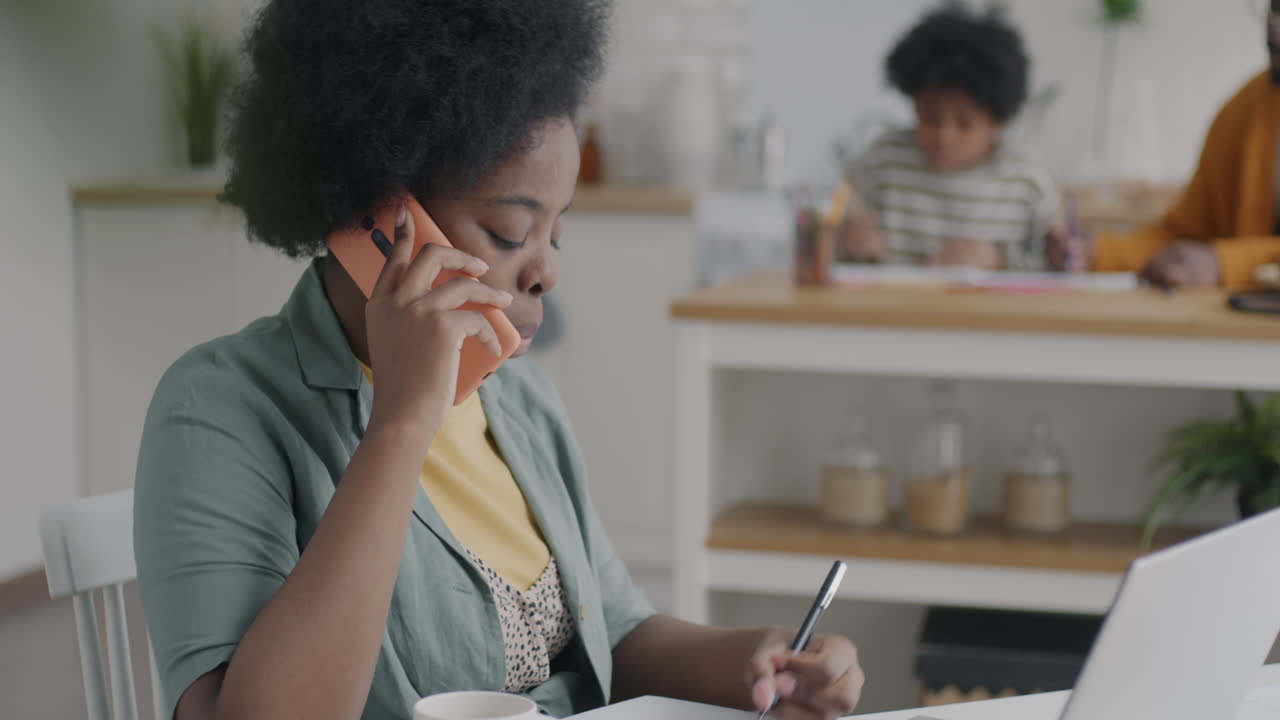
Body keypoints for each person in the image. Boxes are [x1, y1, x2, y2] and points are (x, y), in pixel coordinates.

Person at [131, 1, 864, 719]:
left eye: (557, 233)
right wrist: (402, 423)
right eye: (513, 232)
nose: (546, 271)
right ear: (382, 224)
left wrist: (764, 662)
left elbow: (616, 634)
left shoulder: (521, 399)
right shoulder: (217, 408)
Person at [1049, 1, 1280, 290]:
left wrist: (1226, 264)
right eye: (1275, 9)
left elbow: (1214, 260)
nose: (1275, 28)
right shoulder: (1245, 110)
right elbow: (1184, 237)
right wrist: (1096, 253)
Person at [840, 1, 1059, 271]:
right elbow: (835, 232)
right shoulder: (884, 161)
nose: (944, 136)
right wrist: (847, 243)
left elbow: (1057, 266)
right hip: (898, 311)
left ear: (997, 122)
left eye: (965, 123)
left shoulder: (1026, 178)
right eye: (930, 117)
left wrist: (999, 260)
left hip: (988, 313)